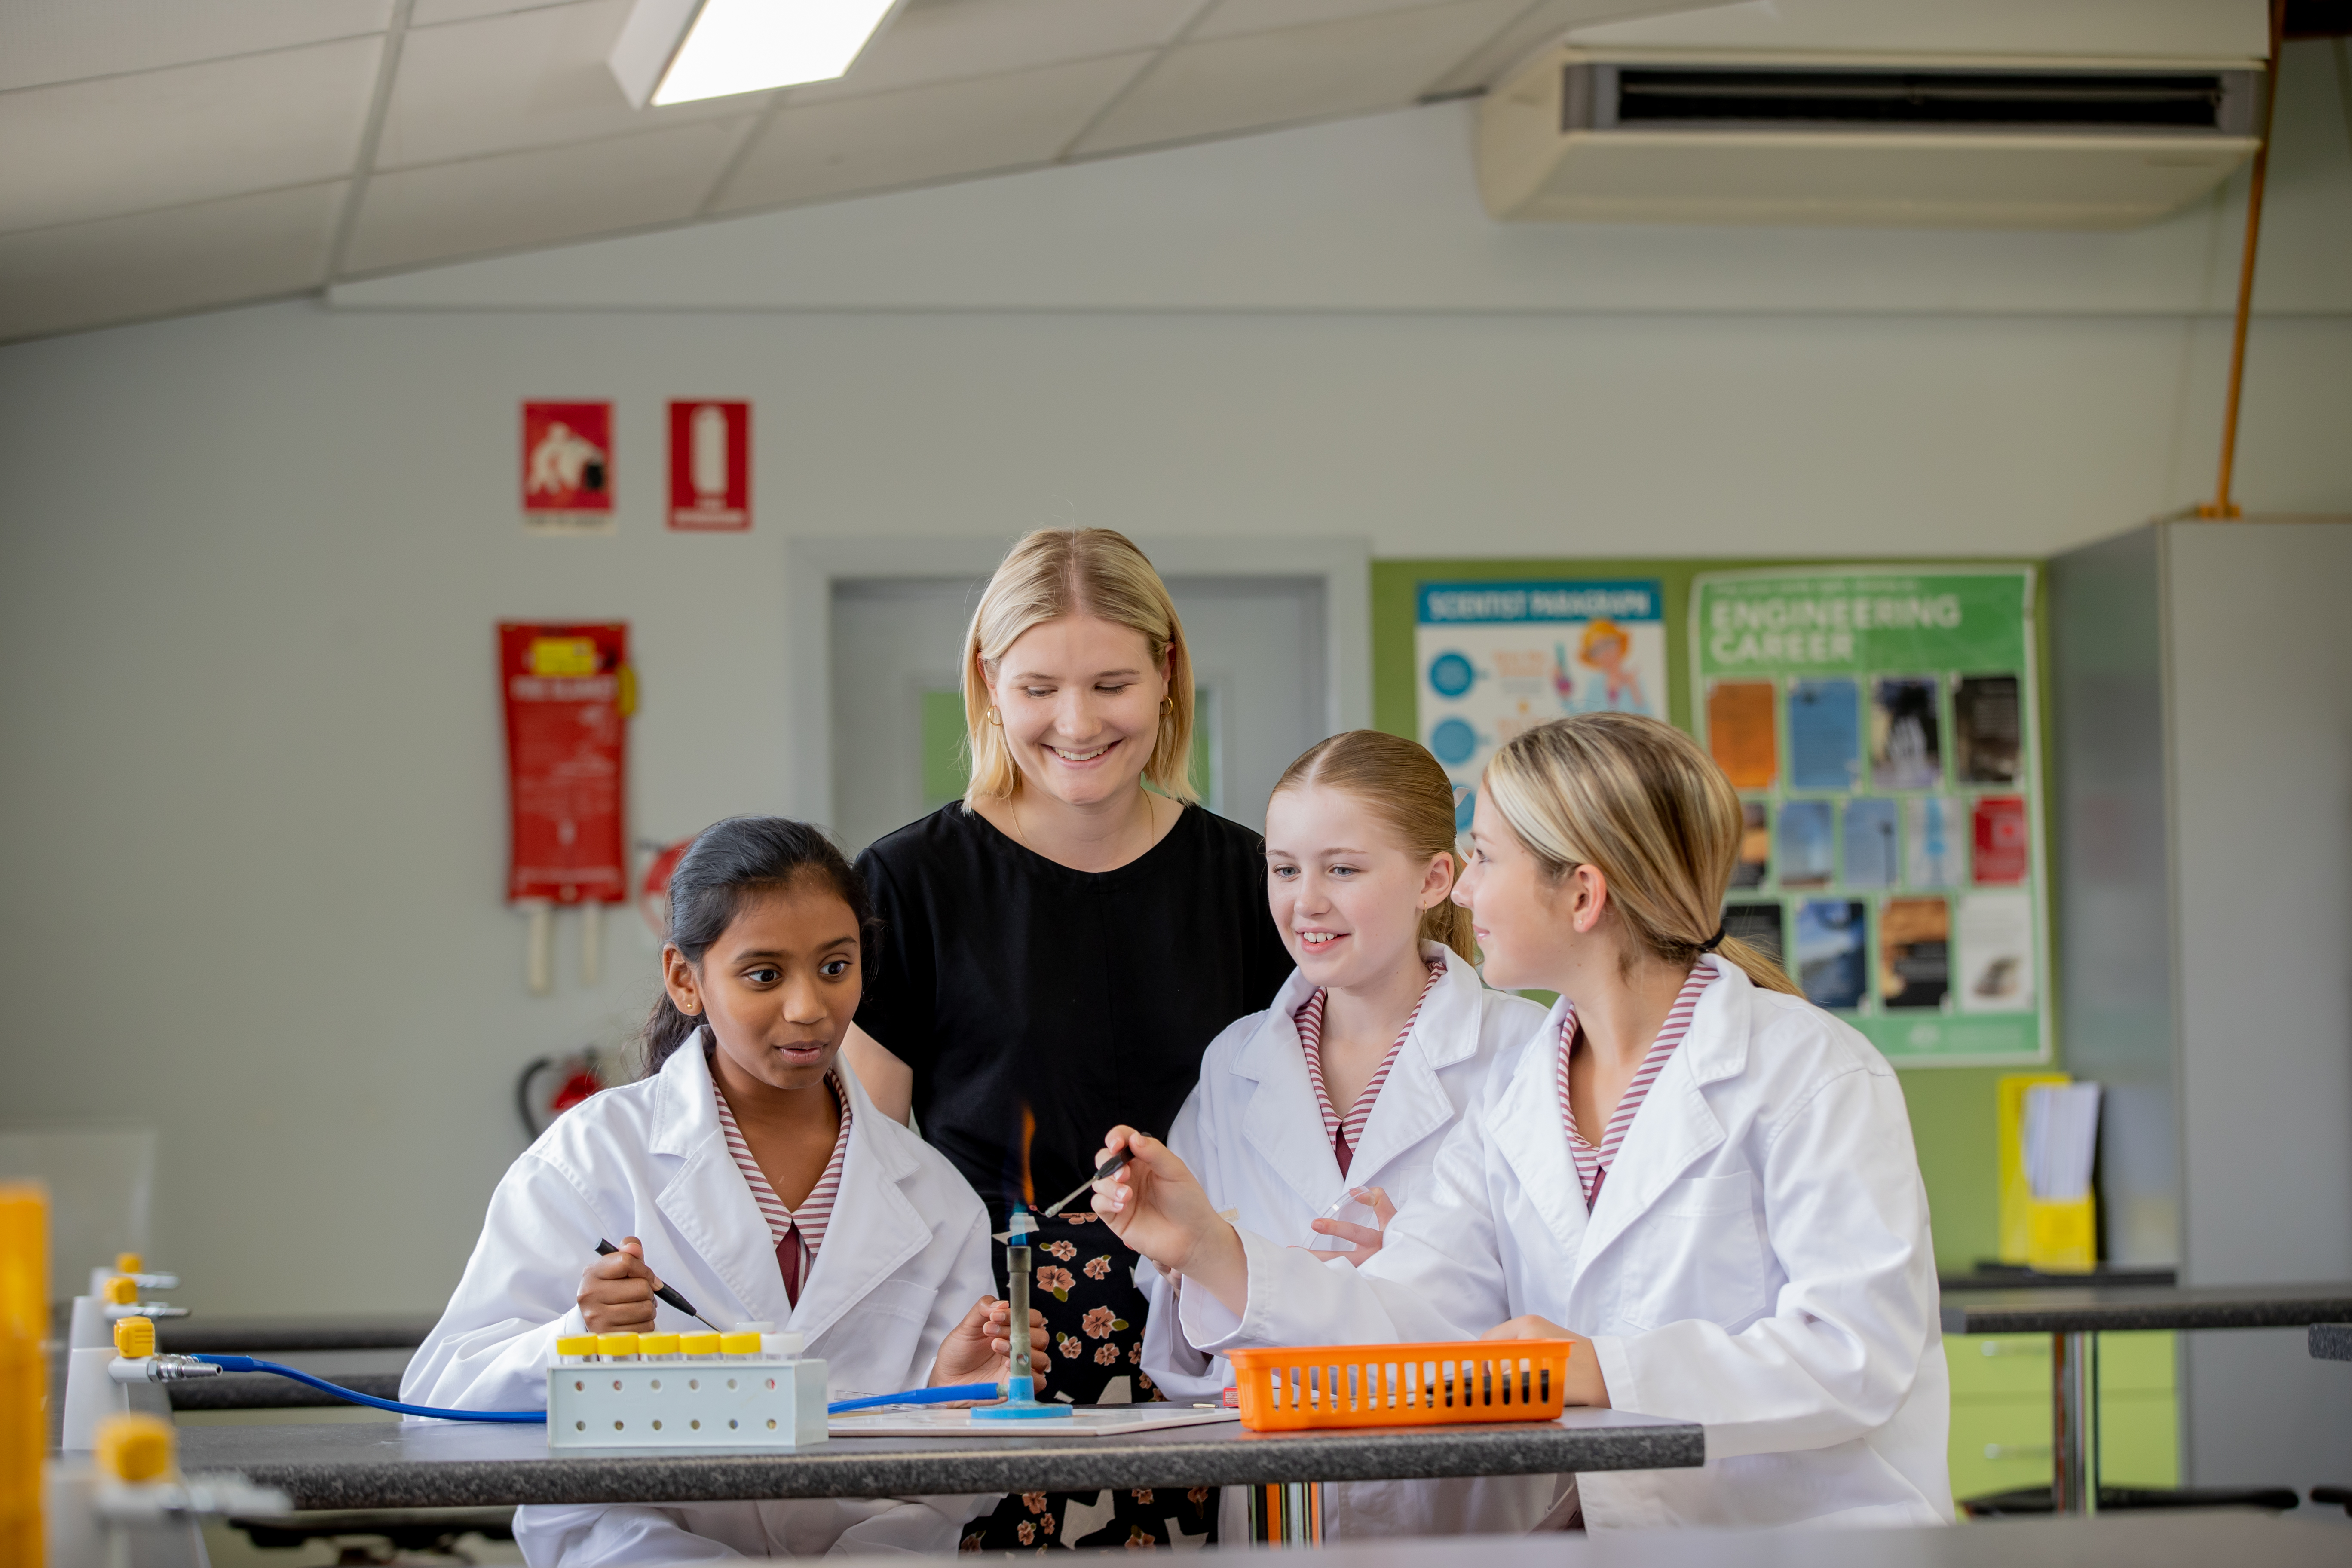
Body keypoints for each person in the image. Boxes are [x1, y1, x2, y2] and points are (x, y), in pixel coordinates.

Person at [1091, 714, 1952, 1531]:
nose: (1461, 889)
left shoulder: (1808, 1071)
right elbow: (1410, 1316)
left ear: (1582, 895)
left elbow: (1855, 1352)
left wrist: (1597, 1367)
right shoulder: (1525, 1100)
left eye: (1484, 858)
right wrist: (1209, 1250)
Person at [405, 817, 1047, 1562]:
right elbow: (440, 1412)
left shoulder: (934, 1195)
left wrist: (950, 1402)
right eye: (765, 975)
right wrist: (576, 1344)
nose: (809, 1007)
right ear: (686, 980)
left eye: (836, 967)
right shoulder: (591, 1159)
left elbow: (952, 1492)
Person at [842, 527, 1292, 1549]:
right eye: (1039, 686)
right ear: (989, 682)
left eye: (1112, 684)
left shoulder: (1250, 883)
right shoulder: (910, 885)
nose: (1077, 723)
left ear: (1168, 675)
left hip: (1212, 1352)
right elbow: (867, 1161)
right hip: (997, 1356)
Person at [1142, 729, 1555, 1539]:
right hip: (1277, 1504)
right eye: (1286, 869)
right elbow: (1183, 1368)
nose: (1307, 902)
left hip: (1462, 1504)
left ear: (1436, 878)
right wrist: (1187, 1264)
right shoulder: (1237, 1064)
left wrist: (1431, 1271)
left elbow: (1570, 1310)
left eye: (1344, 869)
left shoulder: (1523, 1054)